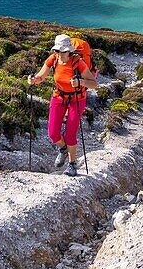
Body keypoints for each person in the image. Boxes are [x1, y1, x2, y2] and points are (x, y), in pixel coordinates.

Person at [28, 33, 97, 177]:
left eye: (64, 51)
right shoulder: (53, 60)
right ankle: (63, 149)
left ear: (70, 51)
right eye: (58, 51)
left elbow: (94, 84)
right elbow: (41, 77)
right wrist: (34, 80)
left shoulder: (78, 62)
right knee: (53, 133)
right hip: (58, 97)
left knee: (70, 133)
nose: (61, 54)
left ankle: (72, 165)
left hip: (77, 99)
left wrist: (81, 82)